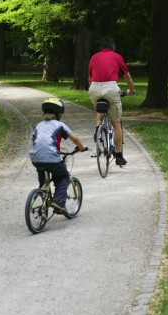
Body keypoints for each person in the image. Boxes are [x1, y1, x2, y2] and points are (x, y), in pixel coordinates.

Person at [29, 97, 87, 214]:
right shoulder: (60, 124)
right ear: (59, 114)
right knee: (63, 177)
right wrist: (82, 147)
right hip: (51, 157)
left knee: (44, 181)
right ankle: (59, 202)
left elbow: (35, 140)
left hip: (35, 158)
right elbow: (74, 138)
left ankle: (43, 195)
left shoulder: (39, 125)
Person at [88, 36, 135, 166]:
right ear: (113, 47)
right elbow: (128, 77)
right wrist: (131, 90)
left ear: (100, 48)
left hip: (95, 88)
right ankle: (119, 155)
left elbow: (90, 77)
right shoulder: (117, 56)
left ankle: (98, 128)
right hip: (111, 88)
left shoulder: (94, 57)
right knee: (116, 124)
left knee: (100, 107)